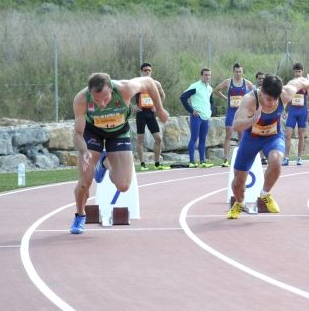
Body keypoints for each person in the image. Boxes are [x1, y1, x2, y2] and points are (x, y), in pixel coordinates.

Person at [70, 72, 168, 234]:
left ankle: (105, 162)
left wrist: (160, 110)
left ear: (112, 89)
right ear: (90, 92)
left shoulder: (125, 88)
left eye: (106, 99)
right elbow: (78, 134)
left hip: (118, 132)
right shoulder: (81, 99)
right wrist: (84, 150)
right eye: (97, 99)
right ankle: (80, 215)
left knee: (123, 185)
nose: (101, 104)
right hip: (92, 133)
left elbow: (150, 82)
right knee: (84, 182)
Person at [227, 74, 309, 219]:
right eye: (268, 99)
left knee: (276, 160)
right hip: (251, 139)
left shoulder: (286, 94)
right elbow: (235, 125)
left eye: (274, 100)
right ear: (261, 90)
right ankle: (240, 203)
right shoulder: (250, 100)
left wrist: (307, 82)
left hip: (272, 137)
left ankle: (265, 194)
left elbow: (297, 82)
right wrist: (252, 120)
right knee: (238, 182)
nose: (271, 104)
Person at [214, 63, 254, 167]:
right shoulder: (228, 82)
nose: (238, 73)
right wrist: (225, 98)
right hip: (231, 113)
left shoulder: (247, 83)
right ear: (233, 72)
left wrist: (249, 103)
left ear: (242, 72)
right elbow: (216, 90)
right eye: (236, 71)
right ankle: (226, 159)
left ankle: (240, 158)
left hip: (241, 113)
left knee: (241, 136)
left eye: (240, 71)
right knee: (229, 135)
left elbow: (255, 94)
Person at [133, 62, 170, 171]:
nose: (147, 72)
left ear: (151, 71)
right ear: (141, 71)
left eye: (149, 70)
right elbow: (125, 96)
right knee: (140, 138)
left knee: (158, 138)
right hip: (140, 113)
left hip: (151, 112)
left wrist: (158, 107)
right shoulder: (136, 83)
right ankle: (142, 164)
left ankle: (157, 163)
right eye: (145, 70)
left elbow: (162, 95)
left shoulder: (156, 84)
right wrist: (132, 106)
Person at [180, 68, 214, 168]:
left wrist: (210, 110)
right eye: (205, 75)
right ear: (201, 76)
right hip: (196, 116)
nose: (207, 77)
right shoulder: (195, 86)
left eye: (209, 75)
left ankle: (203, 161)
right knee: (194, 138)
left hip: (205, 117)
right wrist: (191, 110)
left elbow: (211, 101)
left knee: (203, 139)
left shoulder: (210, 88)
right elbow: (183, 97)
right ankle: (191, 162)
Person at [282, 63, 309, 166]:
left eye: (299, 71)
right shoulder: (291, 82)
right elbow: (285, 96)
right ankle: (286, 158)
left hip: (302, 111)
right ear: (294, 72)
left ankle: (299, 158)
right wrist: (284, 110)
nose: (297, 73)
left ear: (302, 71)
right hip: (292, 111)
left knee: (301, 135)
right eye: (296, 71)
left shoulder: (306, 83)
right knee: (288, 134)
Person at [255, 71, 267, 164]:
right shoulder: (252, 89)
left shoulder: (268, 90)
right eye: (259, 78)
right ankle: (256, 158)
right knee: (256, 138)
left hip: (265, 116)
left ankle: (263, 158)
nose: (261, 80)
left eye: (263, 78)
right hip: (255, 117)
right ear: (256, 79)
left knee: (264, 137)